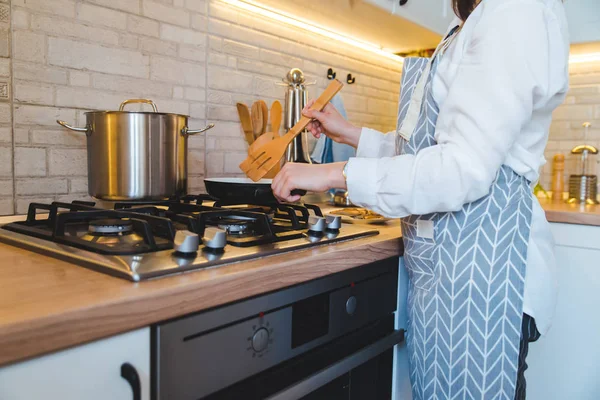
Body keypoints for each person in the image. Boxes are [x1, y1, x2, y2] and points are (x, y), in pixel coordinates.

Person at [271, 0, 569, 398]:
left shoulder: (514, 10)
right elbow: (431, 151)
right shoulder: (469, 22)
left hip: (487, 278)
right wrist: (352, 135)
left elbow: (460, 168)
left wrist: (334, 173)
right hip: (453, 270)